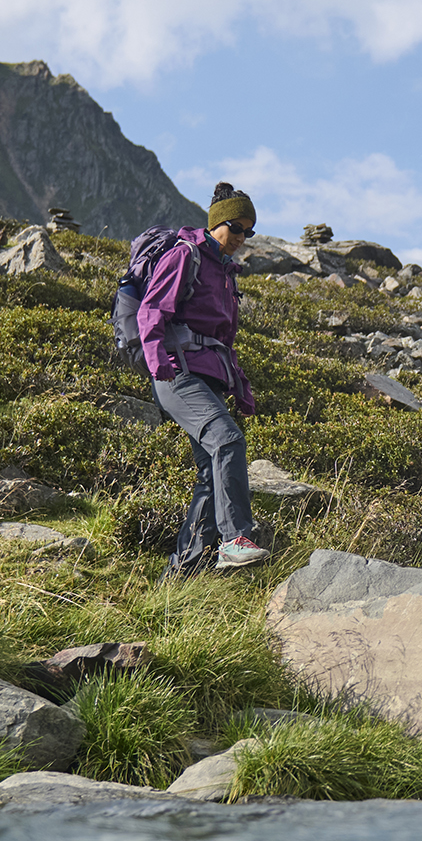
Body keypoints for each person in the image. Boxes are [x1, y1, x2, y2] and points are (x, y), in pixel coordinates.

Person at [138, 182, 270, 573]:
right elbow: (152, 309)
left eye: (249, 231)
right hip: (177, 372)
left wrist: (240, 387)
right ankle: (234, 541)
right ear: (216, 223)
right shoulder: (185, 256)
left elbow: (222, 341)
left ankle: (182, 574)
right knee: (227, 440)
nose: (242, 238)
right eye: (237, 227)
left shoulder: (226, 274)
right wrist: (157, 360)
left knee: (211, 477)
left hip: (208, 377)